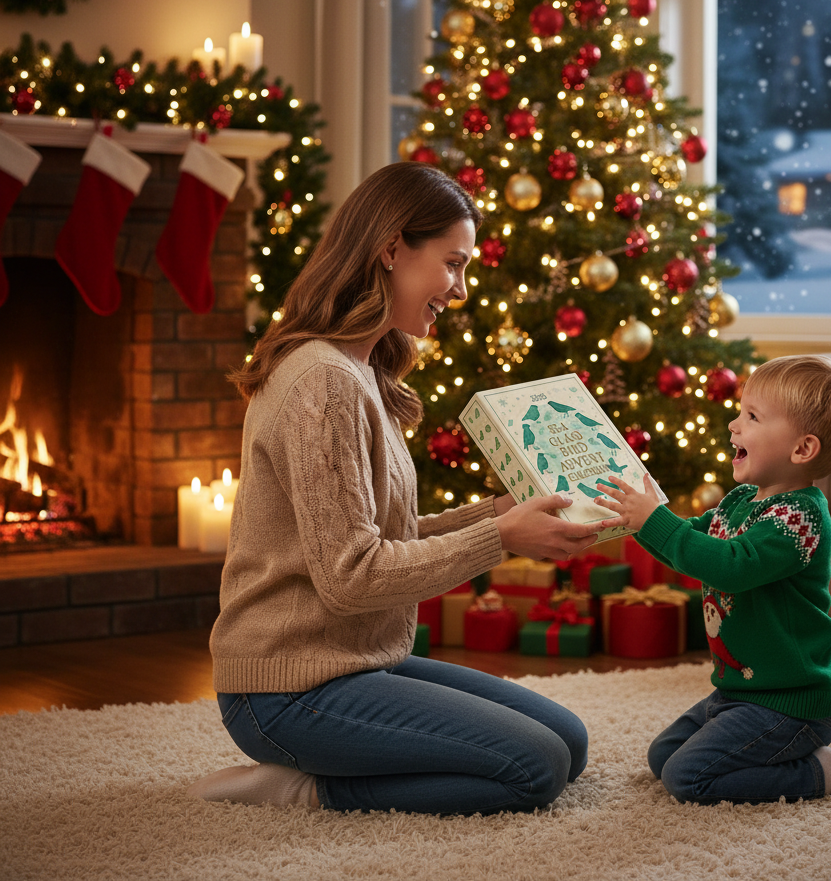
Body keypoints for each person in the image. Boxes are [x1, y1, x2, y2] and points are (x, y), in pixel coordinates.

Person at [186, 161, 598, 815]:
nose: (459, 289)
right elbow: (352, 574)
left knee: (569, 741)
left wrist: (501, 512)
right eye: (453, 263)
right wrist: (499, 539)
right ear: (391, 249)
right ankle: (309, 788)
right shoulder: (322, 381)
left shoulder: (359, 368)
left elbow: (384, 538)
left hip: (354, 661)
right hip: (286, 690)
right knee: (535, 767)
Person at [594, 354, 831, 805]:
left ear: (802, 449)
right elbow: (692, 542)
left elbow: (732, 563)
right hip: (738, 692)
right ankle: (772, 756)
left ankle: (815, 774)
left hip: (790, 704)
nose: (733, 425)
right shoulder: (742, 500)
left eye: (751, 417)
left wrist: (653, 522)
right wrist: (638, 524)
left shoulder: (800, 519)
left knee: (687, 780)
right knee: (663, 757)